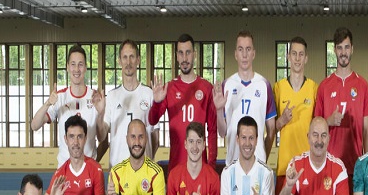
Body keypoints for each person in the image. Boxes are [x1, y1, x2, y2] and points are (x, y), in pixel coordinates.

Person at [148, 33, 217, 171]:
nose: (185, 58)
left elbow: (212, 130)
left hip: (200, 168)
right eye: (181, 53)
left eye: (188, 53)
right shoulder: (169, 88)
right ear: (177, 56)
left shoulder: (207, 88)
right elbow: (152, 120)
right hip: (176, 168)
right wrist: (156, 102)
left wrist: (212, 166)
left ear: (194, 54)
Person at [314, 27, 368, 178]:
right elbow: (315, 127)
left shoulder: (363, 85)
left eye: (346, 47)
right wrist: (329, 121)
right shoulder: (324, 86)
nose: (343, 52)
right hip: (329, 165)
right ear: (334, 50)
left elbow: (366, 130)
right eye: (339, 48)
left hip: (356, 166)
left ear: (352, 49)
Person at [31, 45, 102, 168]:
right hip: (65, 171)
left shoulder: (95, 98)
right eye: (73, 64)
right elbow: (34, 126)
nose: (77, 69)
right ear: (67, 67)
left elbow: (103, 137)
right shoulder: (60, 97)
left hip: (89, 171)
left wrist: (102, 111)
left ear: (85, 67)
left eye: (80, 64)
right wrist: (48, 103)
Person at [96, 39, 160, 169]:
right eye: (125, 57)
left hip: (144, 172)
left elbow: (155, 139)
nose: (128, 62)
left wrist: (147, 158)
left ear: (138, 60)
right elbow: (102, 136)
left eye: (132, 57)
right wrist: (100, 114)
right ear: (119, 61)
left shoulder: (149, 94)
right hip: (118, 170)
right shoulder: (112, 96)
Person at [215, 31, 276, 164]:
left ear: (253, 53)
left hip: (258, 164)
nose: (244, 54)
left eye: (248, 49)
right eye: (240, 49)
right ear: (235, 54)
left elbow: (271, 130)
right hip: (233, 163)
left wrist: (263, 156)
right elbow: (222, 132)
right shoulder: (227, 85)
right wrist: (219, 110)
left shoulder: (264, 85)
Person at [274, 37, 318, 194]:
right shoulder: (278, 88)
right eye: (294, 54)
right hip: (285, 166)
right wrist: (282, 120)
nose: (297, 58)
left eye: (301, 54)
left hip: (307, 166)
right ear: (288, 57)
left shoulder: (313, 88)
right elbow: (272, 129)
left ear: (306, 58)